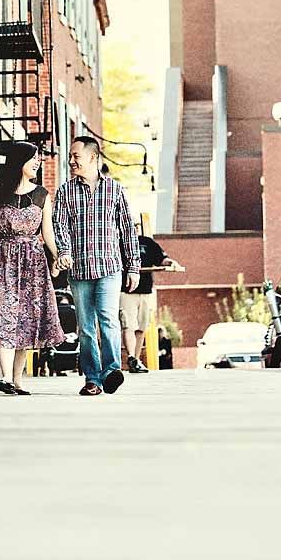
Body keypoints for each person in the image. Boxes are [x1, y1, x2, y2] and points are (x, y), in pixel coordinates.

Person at [0, 141, 64, 395]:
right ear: (18, 161)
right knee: (3, 313)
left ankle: (17, 380)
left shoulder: (43, 196)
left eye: (39, 159)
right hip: (0, 258)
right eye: (34, 158)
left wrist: (57, 256)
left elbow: (48, 233)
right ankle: (4, 377)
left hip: (32, 262)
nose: (38, 162)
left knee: (26, 318)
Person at [53, 136, 141, 396]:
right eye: (71, 156)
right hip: (79, 270)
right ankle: (92, 379)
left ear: (93, 157)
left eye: (75, 156)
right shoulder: (66, 191)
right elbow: (60, 226)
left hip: (109, 267)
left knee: (109, 320)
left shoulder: (114, 190)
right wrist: (64, 252)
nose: (71, 161)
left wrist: (133, 266)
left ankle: (111, 370)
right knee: (87, 328)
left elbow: (127, 230)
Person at [119, 220, 181, 373]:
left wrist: (170, 263)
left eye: (136, 226)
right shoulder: (119, 242)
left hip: (145, 291)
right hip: (127, 291)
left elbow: (161, 259)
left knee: (142, 327)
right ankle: (131, 357)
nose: (134, 229)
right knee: (129, 326)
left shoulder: (148, 243)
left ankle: (136, 360)